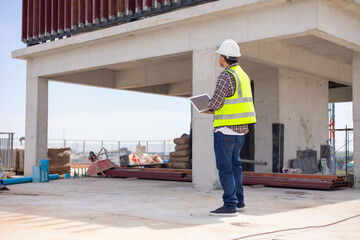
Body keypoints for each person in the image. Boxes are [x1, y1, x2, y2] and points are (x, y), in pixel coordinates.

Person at [204, 39, 256, 217]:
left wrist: (206, 106)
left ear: (224, 57)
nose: (219, 58)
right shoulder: (243, 75)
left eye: (220, 55)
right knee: (236, 166)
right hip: (241, 131)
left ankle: (230, 205)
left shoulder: (226, 75)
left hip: (225, 131)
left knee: (225, 168)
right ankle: (239, 200)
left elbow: (216, 103)